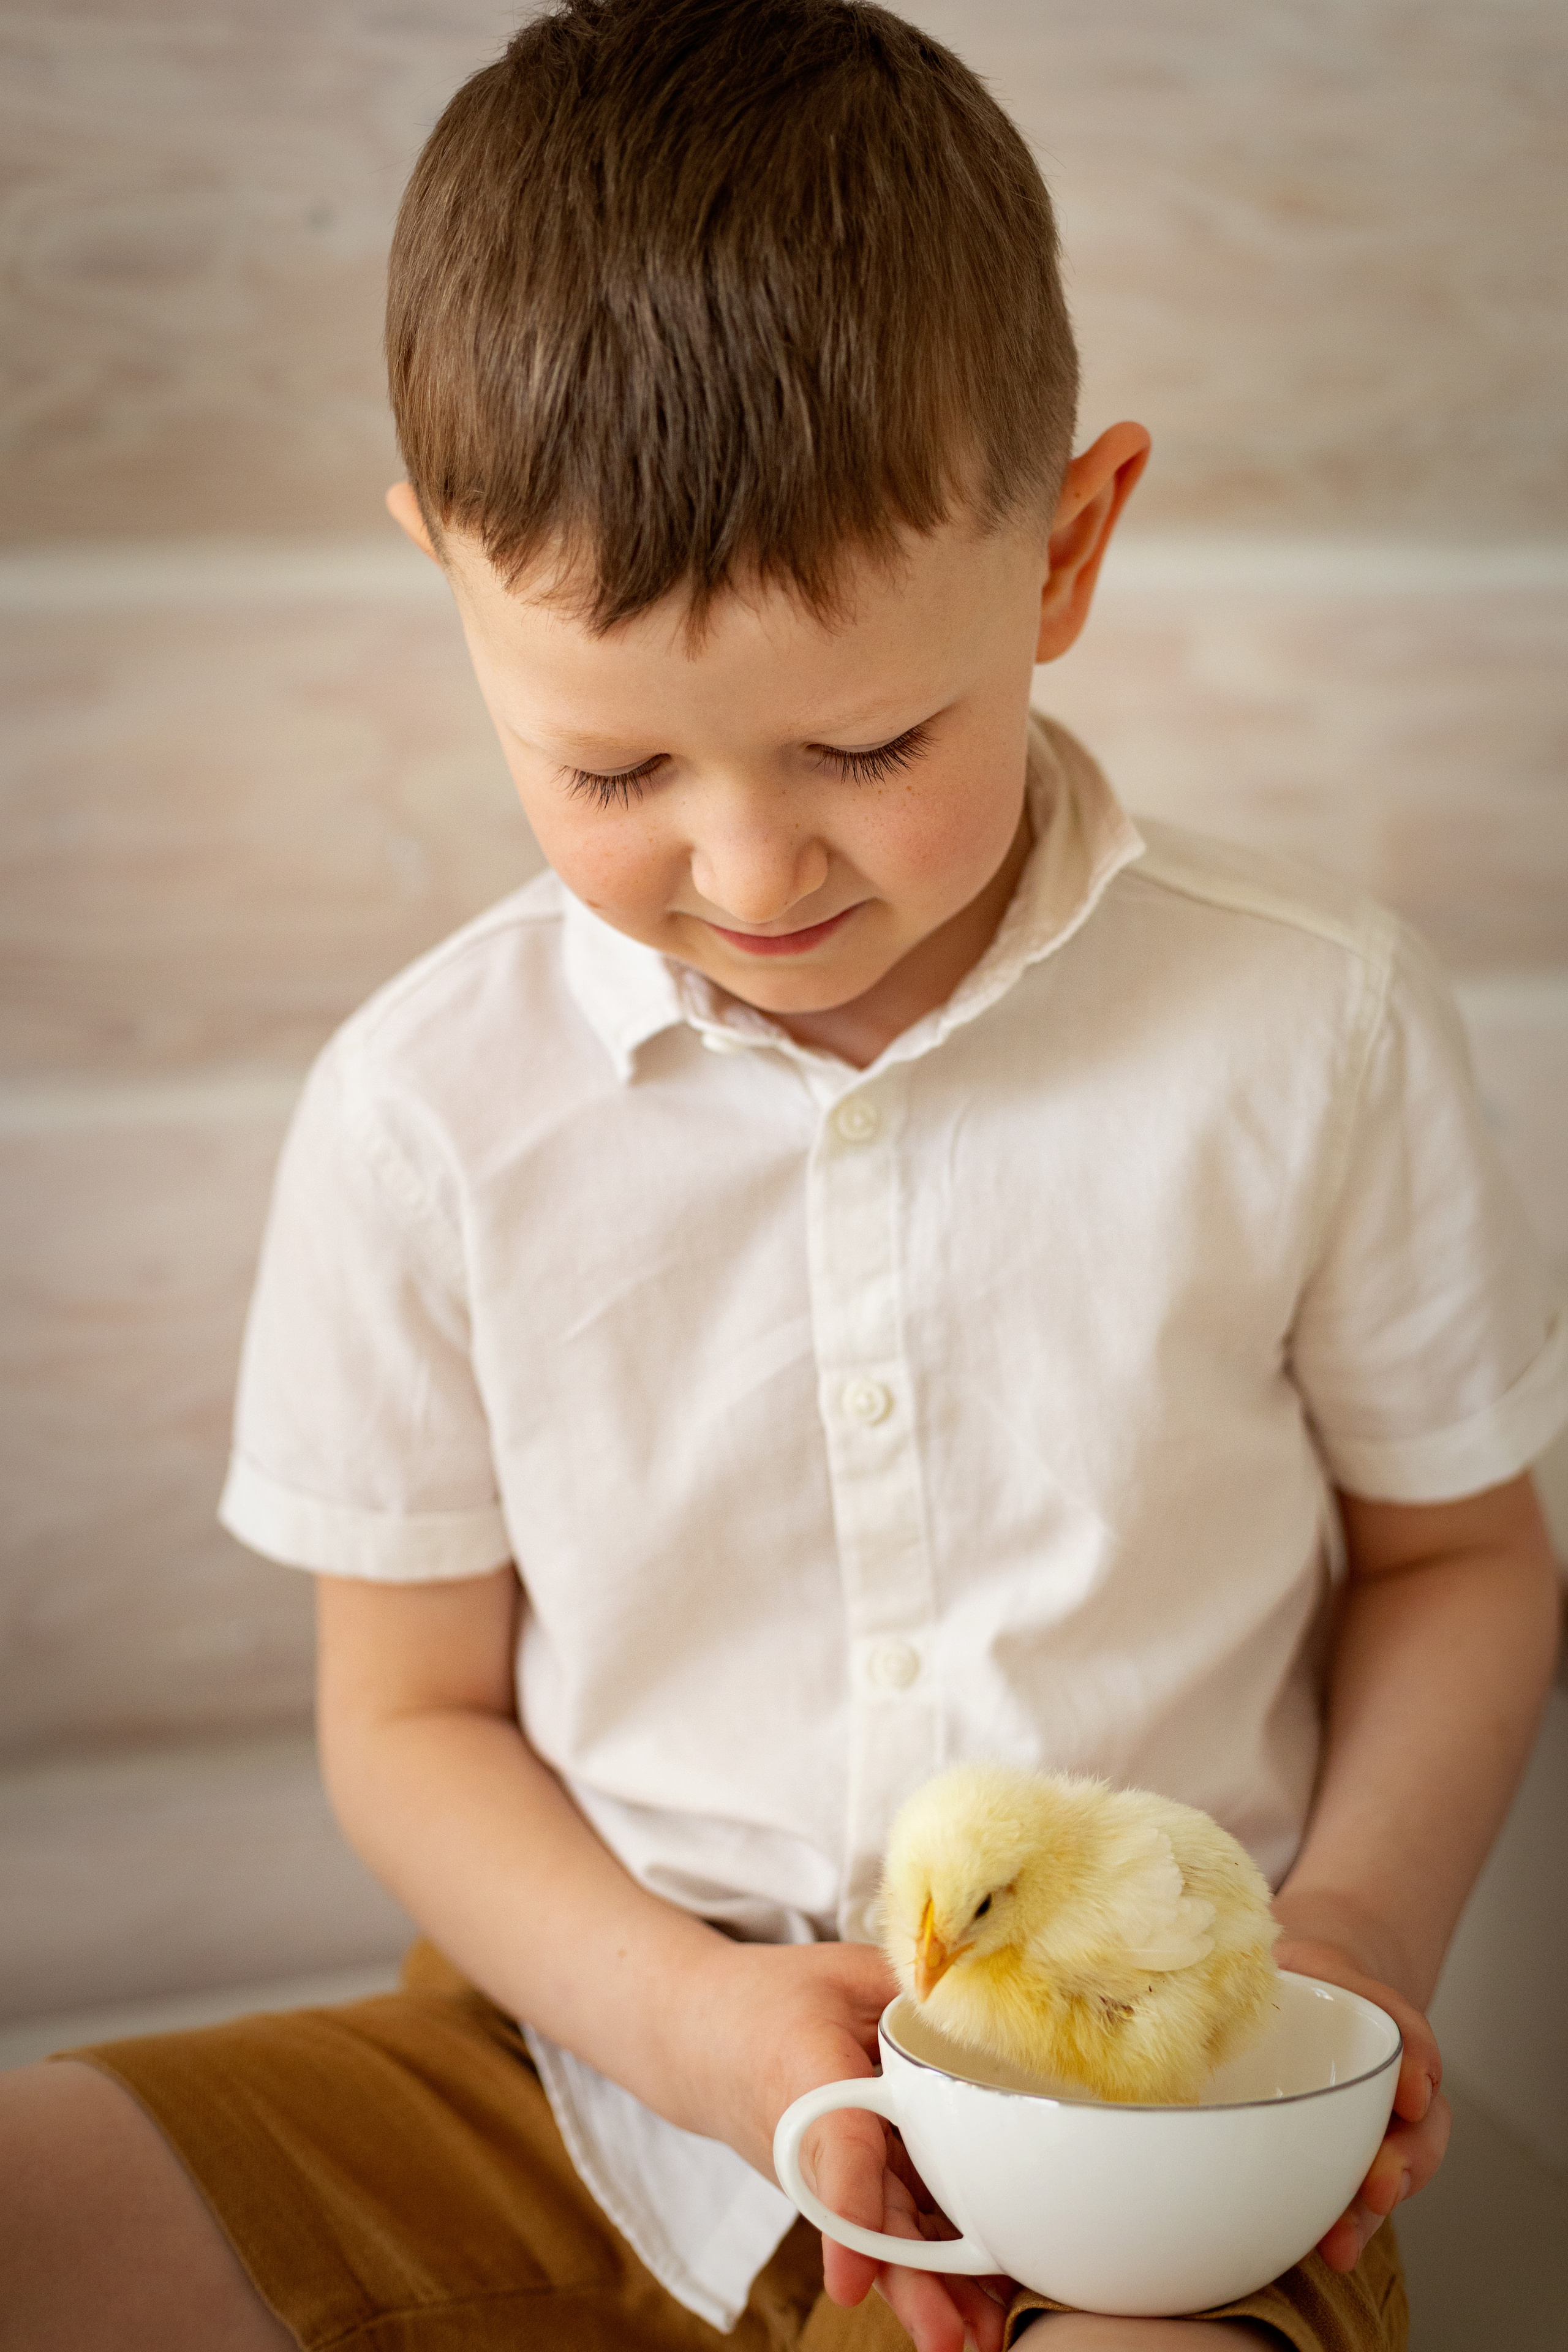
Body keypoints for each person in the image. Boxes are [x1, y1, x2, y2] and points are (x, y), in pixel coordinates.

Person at [1, 3, 1562, 2348]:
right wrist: (697, 2036)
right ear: (451, 581)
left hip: (1129, 2148)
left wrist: (1343, 1947)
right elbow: (406, 1719)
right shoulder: (430, 1107)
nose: (747, 863)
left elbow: (1461, 1564)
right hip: (573, 2057)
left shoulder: (1304, 1025)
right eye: (615, 765)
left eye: (863, 741)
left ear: (1068, 545)